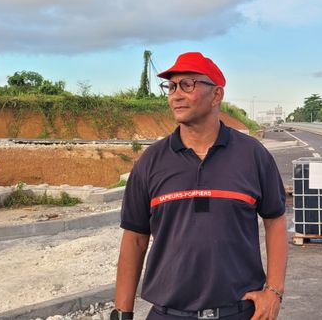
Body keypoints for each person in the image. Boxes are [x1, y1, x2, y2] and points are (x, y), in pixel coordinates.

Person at [113, 52, 288, 320]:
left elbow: (275, 220)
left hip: (238, 313)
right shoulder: (151, 161)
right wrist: (122, 313)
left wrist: (274, 292)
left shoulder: (252, 155)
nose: (176, 95)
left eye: (187, 84)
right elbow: (135, 238)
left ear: (216, 95)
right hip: (168, 314)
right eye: (171, 87)